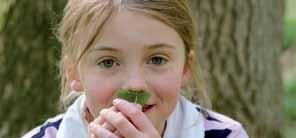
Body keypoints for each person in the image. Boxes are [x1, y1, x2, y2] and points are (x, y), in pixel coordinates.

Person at [23, 0, 249, 138]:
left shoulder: (226, 135)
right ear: (73, 72)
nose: (135, 85)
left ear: (185, 68)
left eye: (157, 59)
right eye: (108, 62)